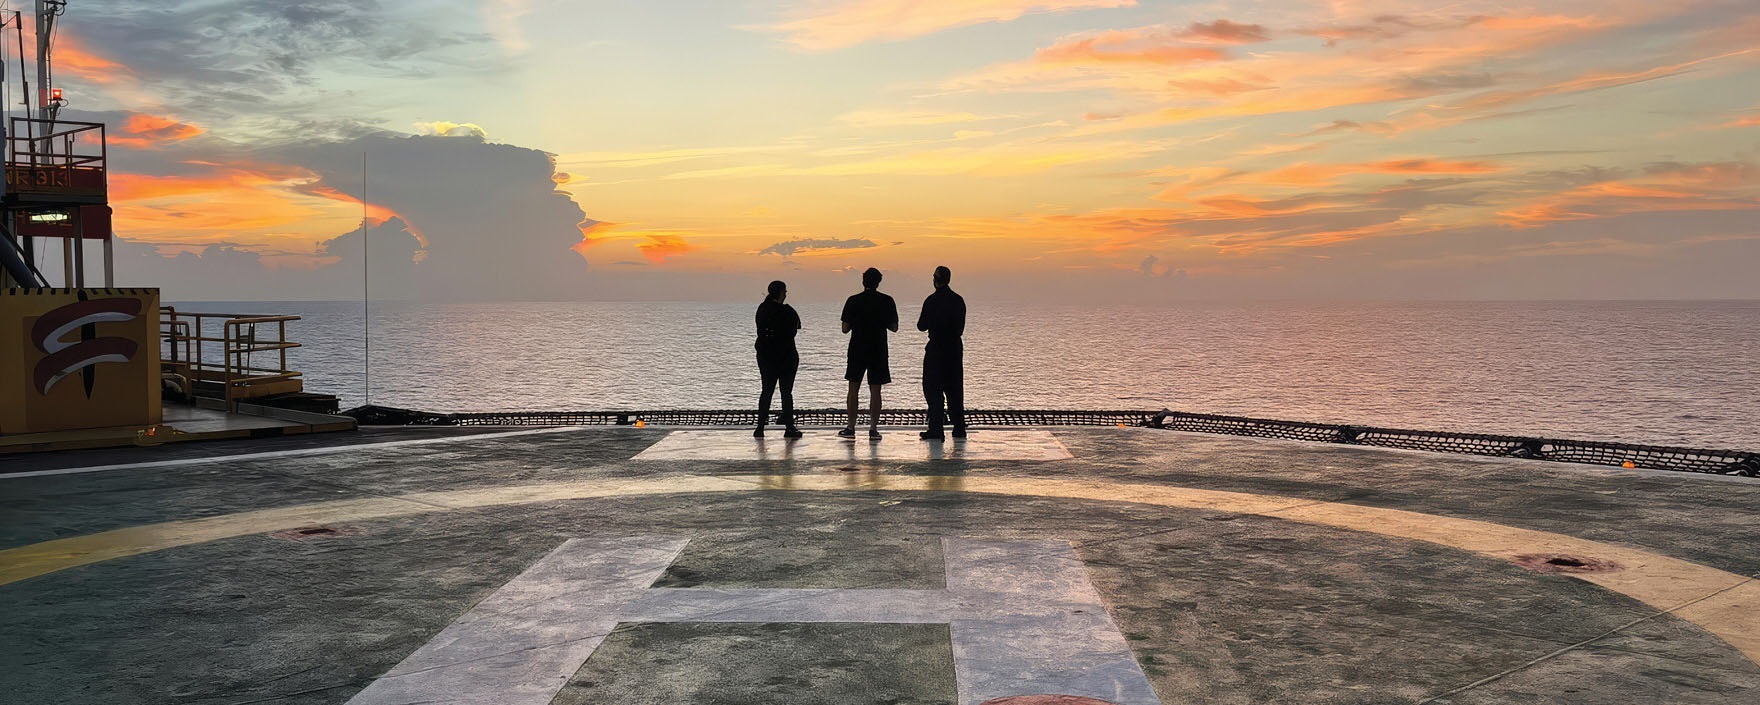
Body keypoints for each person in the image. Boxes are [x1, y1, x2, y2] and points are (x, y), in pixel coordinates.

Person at [839, 267, 897, 439]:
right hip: (878, 348)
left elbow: (844, 328)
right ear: (879, 282)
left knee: (853, 388)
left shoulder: (853, 300)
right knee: (876, 390)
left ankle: (850, 427)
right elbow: (894, 327)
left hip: (857, 348)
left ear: (863, 281)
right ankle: (873, 428)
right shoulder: (887, 301)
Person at [917, 266, 967, 440]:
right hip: (954, 348)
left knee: (933, 388)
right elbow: (960, 328)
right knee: (955, 388)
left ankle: (936, 428)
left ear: (936, 279)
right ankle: (959, 427)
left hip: (937, 348)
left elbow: (921, 325)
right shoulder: (958, 300)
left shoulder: (931, 301)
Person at [754, 280, 802, 438]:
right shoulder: (788, 311)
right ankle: (789, 427)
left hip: (766, 356)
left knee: (766, 390)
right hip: (786, 356)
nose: (786, 294)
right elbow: (795, 329)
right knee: (786, 392)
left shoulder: (761, 309)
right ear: (781, 293)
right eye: (785, 291)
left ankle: (760, 428)